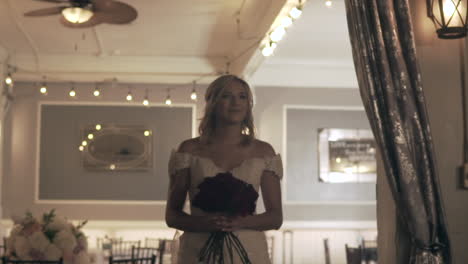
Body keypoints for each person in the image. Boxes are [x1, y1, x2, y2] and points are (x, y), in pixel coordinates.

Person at [165, 74, 283, 263]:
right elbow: (172, 216)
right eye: (227, 96)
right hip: (198, 251)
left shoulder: (263, 151)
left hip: (248, 251)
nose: (235, 102)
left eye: (242, 96)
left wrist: (241, 222)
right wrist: (204, 223)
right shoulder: (189, 150)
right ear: (212, 102)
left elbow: (275, 218)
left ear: (248, 104)